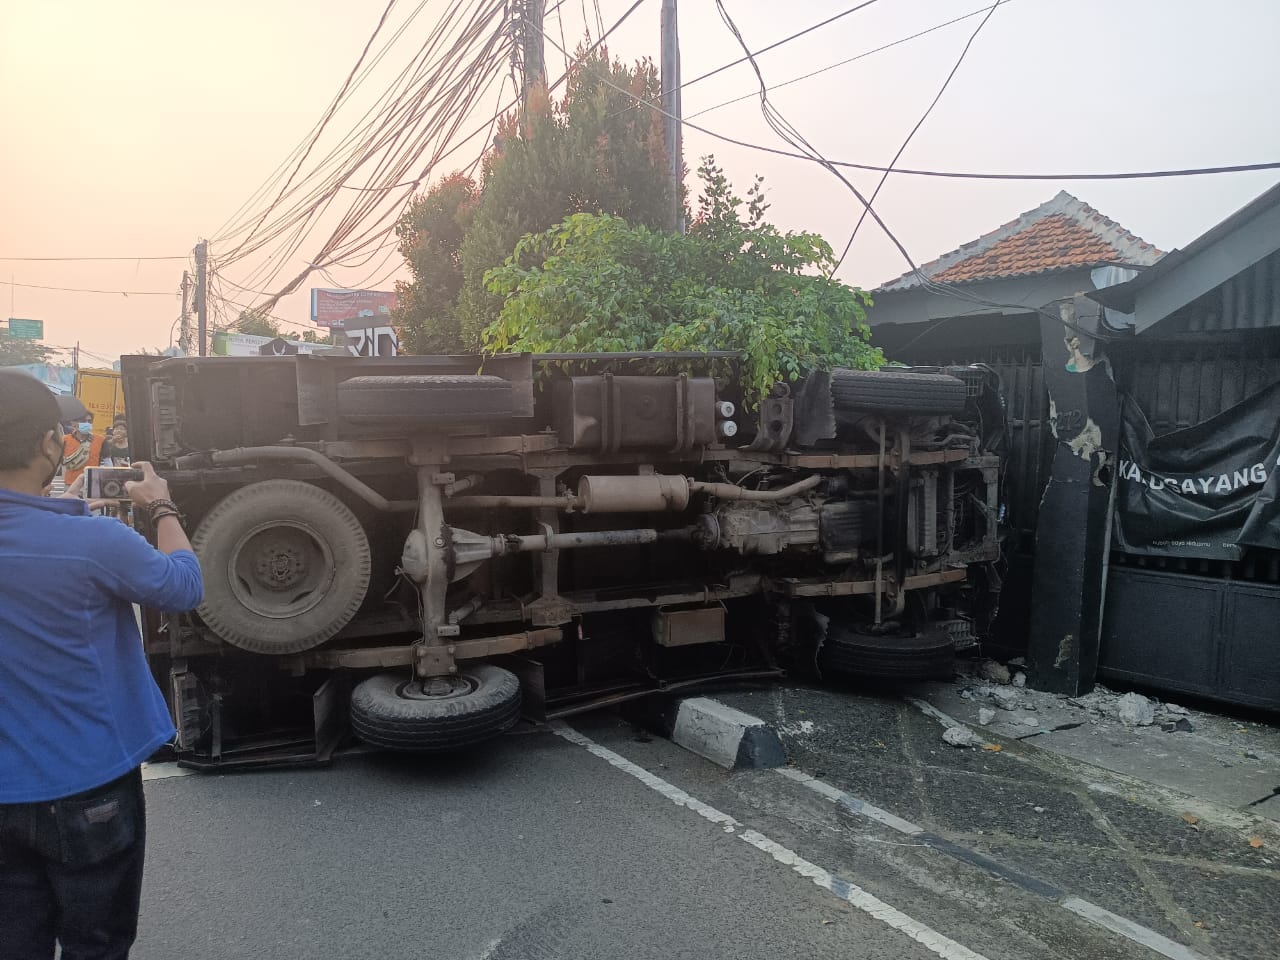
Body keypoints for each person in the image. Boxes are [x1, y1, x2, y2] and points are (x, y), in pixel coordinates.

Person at [0, 370, 204, 960]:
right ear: (48, 445)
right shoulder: (94, 542)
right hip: (87, 786)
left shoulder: (76, 534)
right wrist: (160, 504)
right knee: (97, 945)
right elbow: (184, 586)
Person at [61, 411, 104, 486]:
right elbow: (57, 463)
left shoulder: (101, 440)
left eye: (89, 421)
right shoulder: (64, 440)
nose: (87, 423)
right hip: (70, 484)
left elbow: (106, 463)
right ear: (73, 423)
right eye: (83, 421)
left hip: (93, 484)